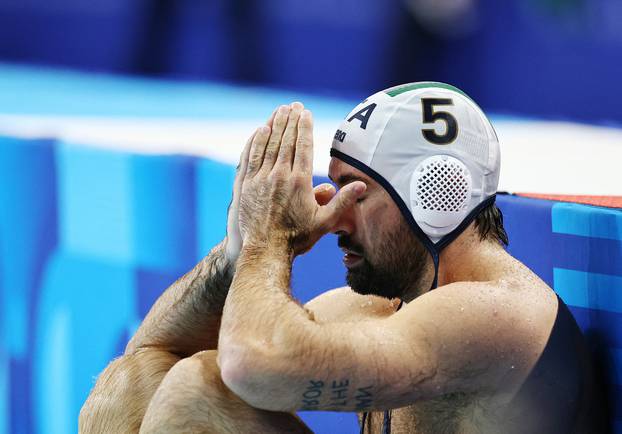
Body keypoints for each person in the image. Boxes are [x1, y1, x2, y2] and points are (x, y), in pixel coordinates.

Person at [80, 83, 600, 434]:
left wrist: (271, 239)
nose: (334, 214)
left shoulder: (496, 314)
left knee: (197, 394)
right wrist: (238, 251)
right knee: (136, 381)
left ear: (434, 197)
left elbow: (251, 365)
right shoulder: (388, 310)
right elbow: (151, 350)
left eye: (357, 191)